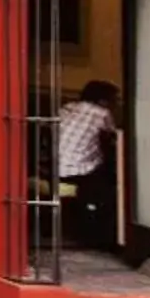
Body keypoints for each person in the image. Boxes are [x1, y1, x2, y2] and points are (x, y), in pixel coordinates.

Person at [55, 80, 121, 246]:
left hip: (54, 167)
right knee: (110, 186)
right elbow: (115, 137)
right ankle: (100, 234)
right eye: (114, 99)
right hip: (80, 171)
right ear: (103, 100)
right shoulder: (102, 114)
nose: (116, 103)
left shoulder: (67, 107)